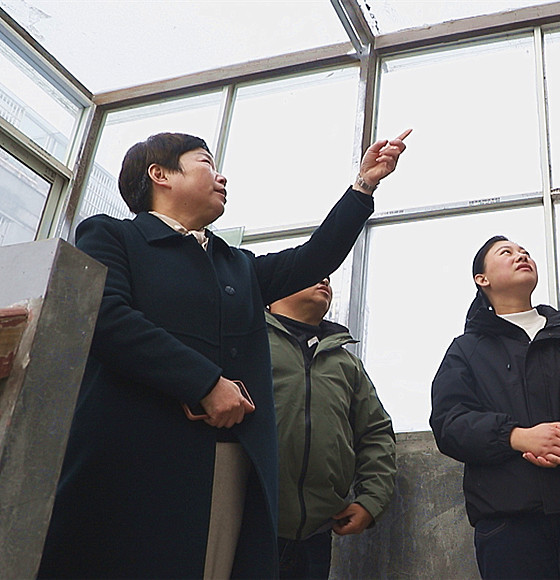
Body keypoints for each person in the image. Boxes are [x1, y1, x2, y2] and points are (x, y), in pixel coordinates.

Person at [39, 129, 409, 579]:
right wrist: (205, 384)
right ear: (160, 175)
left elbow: (314, 258)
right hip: (132, 455)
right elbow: (105, 317)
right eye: (206, 163)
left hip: (224, 461)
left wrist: (363, 186)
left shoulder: (236, 264)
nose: (222, 177)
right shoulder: (112, 236)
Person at [430, 235, 560, 579]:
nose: (521, 255)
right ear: (482, 279)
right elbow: (449, 423)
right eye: (507, 252)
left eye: (525, 251)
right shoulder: (466, 350)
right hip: (509, 527)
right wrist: (516, 437)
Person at [266, 276, 396, 579]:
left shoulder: (347, 363)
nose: (324, 278)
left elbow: (376, 433)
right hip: (251, 526)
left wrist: (370, 501)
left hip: (318, 534)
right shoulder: (250, 343)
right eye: (311, 272)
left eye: (328, 275)